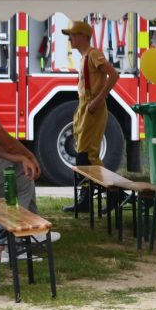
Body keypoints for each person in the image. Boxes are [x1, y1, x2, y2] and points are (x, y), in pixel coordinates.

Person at [0, 59, 47, 227]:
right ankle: (19, 238)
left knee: (23, 179)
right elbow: (8, 143)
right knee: (23, 174)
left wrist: (21, 159)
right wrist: (30, 157)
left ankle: (25, 236)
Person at [62, 19, 119, 212]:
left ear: (83, 37)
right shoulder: (84, 56)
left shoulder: (94, 54)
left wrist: (99, 98)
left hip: (93, 106)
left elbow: (113, 74)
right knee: (83, 155)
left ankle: (113, 194)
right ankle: (87, 200)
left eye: (73, 35)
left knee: (87, 155)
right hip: (85, 105)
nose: (70, 39)